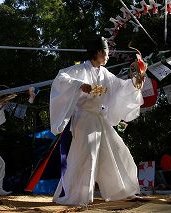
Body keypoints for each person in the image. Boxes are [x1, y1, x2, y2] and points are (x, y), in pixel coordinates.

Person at [50, 36, 144, 205]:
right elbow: (61, 79)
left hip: (99, 119)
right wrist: (78, 84)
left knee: (116, 150)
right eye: (107, 52)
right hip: (84, 118)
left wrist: (135, 82)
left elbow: (120, 87)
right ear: (99, 52)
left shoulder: (105, 73)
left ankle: (121, 191)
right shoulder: (80, 69)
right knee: (87, 155)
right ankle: (78, 195)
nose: (108, 56)